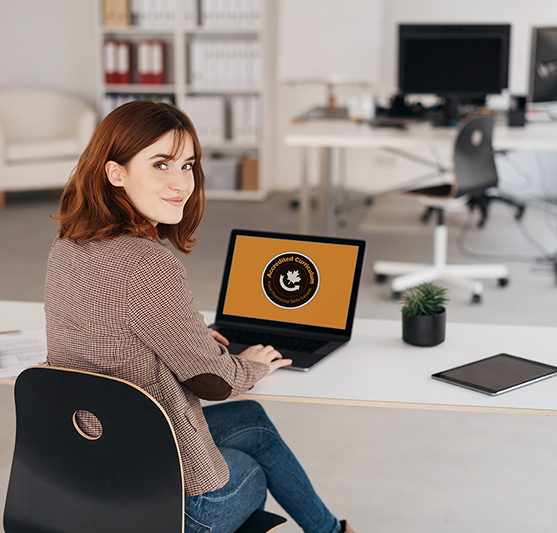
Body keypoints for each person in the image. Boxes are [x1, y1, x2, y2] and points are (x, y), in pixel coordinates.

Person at [44, 100, 356, 533]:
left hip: (92, 465)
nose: (181, 184)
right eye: (160, 165)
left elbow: (115, 332)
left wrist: (191, 337)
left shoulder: (66, 246)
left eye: (188, 165)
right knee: (249, 467)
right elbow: (213, 383)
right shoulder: (148, 263)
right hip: (170, 509)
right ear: (116, 173)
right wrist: (254, 367)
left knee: (254, 423)